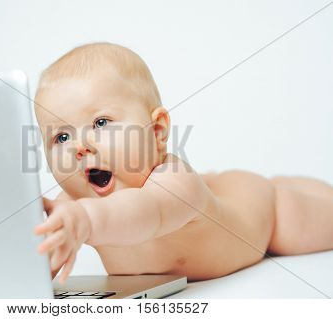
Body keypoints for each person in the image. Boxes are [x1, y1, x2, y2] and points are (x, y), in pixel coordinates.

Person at [33, 42, 333, 284]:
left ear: (157, 130)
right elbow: (47, 244)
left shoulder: (173, 181)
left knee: (314, 221)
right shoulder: (71, 207)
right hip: (212, 195)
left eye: (100, 122)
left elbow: (144, 212)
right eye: (60, 138)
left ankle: (281, 188)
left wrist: (85, 221)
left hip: (263, 214)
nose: (79, 147)